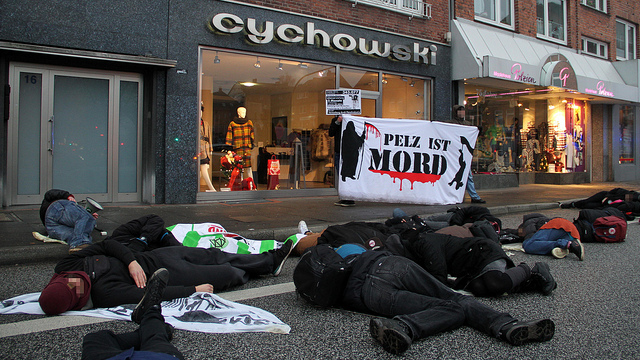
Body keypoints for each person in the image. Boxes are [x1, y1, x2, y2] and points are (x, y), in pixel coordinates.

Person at [330, 247, 555, 355]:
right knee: (454, 302)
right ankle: (508, 325)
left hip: (372, 293)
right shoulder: (352, 249)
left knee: (452, 309)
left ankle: (404, 325)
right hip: (391, 266)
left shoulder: (334, 272)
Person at [294, 217, 557, 297]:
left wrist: (439, 285)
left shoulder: (426, 241)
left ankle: (529, 269)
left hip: (482, 255)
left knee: (492, 285)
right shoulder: (419, 245)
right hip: (471, 269)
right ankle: (528, 281)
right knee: (481, 288)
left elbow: (437, 270)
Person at [39, 237, 294, 314]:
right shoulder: (103, 294)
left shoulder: (67, 264)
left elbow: (108, 245)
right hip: (170, 273)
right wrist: (191, 291)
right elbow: (148, 295)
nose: (78, 284)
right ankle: (268, 263)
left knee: (211, 254)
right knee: (227, 273)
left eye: (71, 283)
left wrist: (130, 262)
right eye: (77, 292)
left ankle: (269, 261)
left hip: (159, 255)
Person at [81, 268, 185, 360]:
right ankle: (152, 320)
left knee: (96, 339)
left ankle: (154, 325)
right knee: (155, 336)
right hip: (161, 355)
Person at [39, 189, 99, 253]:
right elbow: (49, 193)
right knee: (88, 219)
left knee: (75, 235)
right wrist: (68, 196)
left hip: (51, 226)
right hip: (56, 207)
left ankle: (78, 247)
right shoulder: (64, 202)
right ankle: (81, 244)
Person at [451, 105, 485, 204]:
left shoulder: (467, 124)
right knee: (464, 174)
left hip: (462, 154)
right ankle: (473, 196)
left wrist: (478, 130)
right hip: (454, 153)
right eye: (459, 111)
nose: (462, 113)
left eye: (463, 111)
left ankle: (474, 196)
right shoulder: (451, 123)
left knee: (467, 174)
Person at [328, 115, 356, 207]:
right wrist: (337, 122)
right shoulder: (335, 120)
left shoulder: (352, 120)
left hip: (348, 152)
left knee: (347, 174)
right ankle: (345, 197)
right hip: (339, 152)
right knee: (341, 174)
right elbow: (331, 133)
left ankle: (349, 198)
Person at [226, 106, 255, 181]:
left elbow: (252, 135)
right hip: (238, 149)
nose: (244, 114)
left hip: (247, 148)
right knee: (239, 167)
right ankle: (240, 184)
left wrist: (252, 144)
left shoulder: (249, 123)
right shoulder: (232, 124)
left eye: (245, 112)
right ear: (238, 113)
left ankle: (252, 185)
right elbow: (229, 136)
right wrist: (229, 148)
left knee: (248, 167)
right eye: (242, 112)